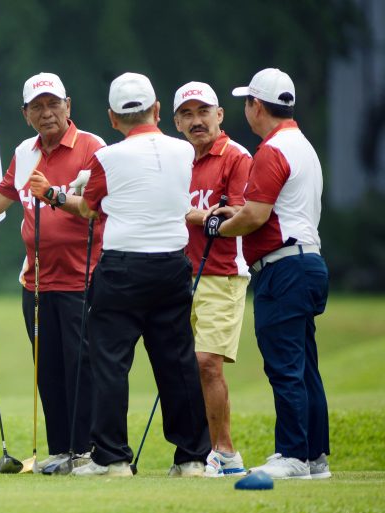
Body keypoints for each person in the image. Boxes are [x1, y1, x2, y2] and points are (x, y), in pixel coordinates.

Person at [36, 72, 211, 477]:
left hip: (122, 268)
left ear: (112, 118)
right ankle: (191, 459)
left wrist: (54, 193)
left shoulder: (106, 157)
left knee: (110, 363)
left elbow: (89, 208)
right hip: (171, 265)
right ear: (158, 110)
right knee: (177, 361)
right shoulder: (184, 151)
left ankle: (112, 459)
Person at [0, 72, 105, 471]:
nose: (47, 113)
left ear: (68, 105)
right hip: (38, 282)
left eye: (53, 104)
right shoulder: (25, 151)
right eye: (37, 107)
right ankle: (61, 449)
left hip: (84, 277)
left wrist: (54, 194)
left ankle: (87, 451)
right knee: (48, 370)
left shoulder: (92, 148)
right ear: (25, 113)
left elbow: (95, 207)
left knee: (82, 367)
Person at [209, 68, 331, 480]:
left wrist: (219, 226)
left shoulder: (270, 150)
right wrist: (238, 214)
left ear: (255, 106)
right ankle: (315, 457)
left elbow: (257, 216)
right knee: (305, 364)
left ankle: (292, 454)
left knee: (285, 365)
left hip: (283, 268)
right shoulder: (304, 146)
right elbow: (271, 210)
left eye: (247, 102)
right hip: (308, 261)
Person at [172, 81, 251, 477]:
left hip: (222, 273)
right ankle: (195, 451)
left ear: (220, 115)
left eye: (204, 112)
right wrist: (206, 214)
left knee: (207, 363)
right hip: (179, 273)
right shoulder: (178, 159)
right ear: (176, 122)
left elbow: (237, 214)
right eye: (187, 114)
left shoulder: (236, 156)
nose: (196, 121)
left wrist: (194, 215)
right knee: (184, 366)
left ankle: (226, 452)